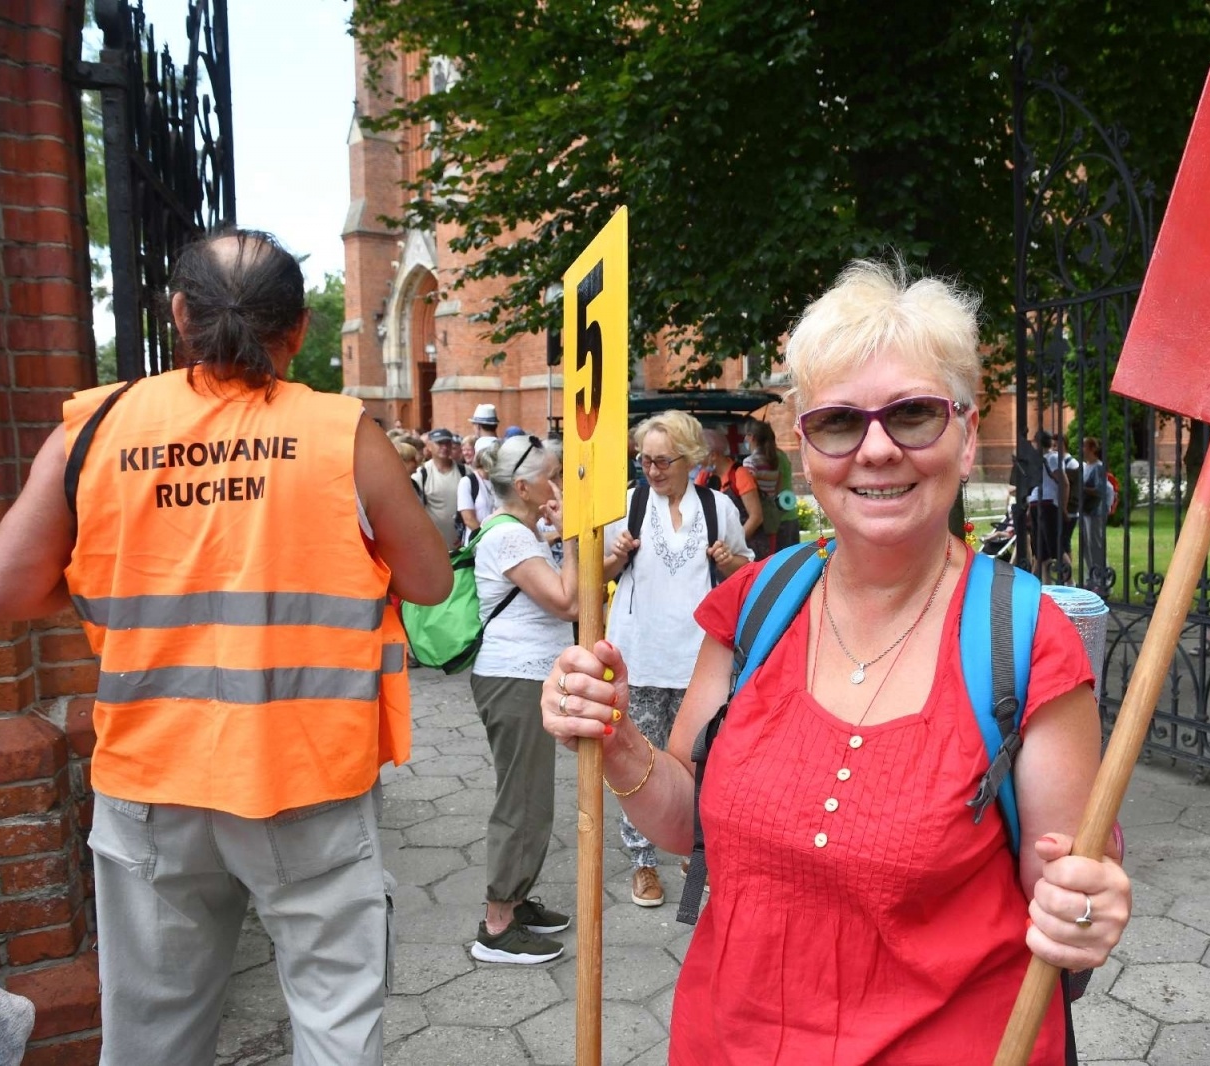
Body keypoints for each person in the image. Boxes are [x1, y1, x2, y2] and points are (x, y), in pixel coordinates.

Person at [542, 260, 1130, 1062]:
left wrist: (1085, 911)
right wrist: (615, 739)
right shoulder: (755, 605)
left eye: (914, 414)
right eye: (840, 422)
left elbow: (1068, 888)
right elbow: (686, 822)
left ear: (964, 432)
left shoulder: (1025, 639)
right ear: (805, 447)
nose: (877, 449)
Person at [0, 229, 453, 1065]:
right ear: (300, 329)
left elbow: (12, 586)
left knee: (154, 1039)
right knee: (335, 1023)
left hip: (151, 782)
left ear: (179, 314)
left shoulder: (93, 429)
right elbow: (428, 581)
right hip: (306, 775)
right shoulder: (339, 431)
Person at [601, 410, 753, 907]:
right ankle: (642, 862)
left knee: (697, 759)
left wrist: (730, 563)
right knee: (636, 756)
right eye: (644, 459)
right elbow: (594, 569)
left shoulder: (719, 507)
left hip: (698, 657)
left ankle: (693, 848)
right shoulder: (628, 504)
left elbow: (742, 574)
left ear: (690, 459)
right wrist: (616, 555)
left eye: (662, 460)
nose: (651, 469)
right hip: (640, 651)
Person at [467, 436, 578, 964]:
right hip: (514, 679)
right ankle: (497, 925)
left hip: (519, 677)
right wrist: (574, 538)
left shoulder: (520, 533)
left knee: (530, 796)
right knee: (523, 801)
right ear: (526, 487)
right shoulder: (510, 537)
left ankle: (515, 899)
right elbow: (566, 600)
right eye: (554, 475)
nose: (560, 483)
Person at [695, 427, 762, 549]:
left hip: (745, 548)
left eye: (700, 455)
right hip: (718, 550)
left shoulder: (740, 474)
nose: (697, 460)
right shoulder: (704, 476)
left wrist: (735, 545)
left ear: (713, 455)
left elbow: (756, 517)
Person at [743, 420, 801, 557]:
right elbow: (778, 486)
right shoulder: (777, 457)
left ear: (752, 437)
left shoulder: (754, 461)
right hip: (788, 513)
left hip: (774, 520)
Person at [1026, 429, 1068, 579]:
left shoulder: (1052, 458)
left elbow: (1064, 483)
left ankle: (1070, 581)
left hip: (1048, 503)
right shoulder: (1036, 460)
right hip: (1036, 503)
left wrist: (1063, 507)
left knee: (1055, 545)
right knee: (1040, 549)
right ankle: (1043, 584)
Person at [413, 428, 464, 549]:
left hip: (461, 544)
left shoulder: (465, 472)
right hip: (433, 544)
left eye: (447, 443)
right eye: (440, 443)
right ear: (429, 446)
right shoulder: (422, 474)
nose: (444, 447)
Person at [1078, 436, 1110, 592]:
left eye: (1084, 446)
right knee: (1086, 545)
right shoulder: (1085, 466)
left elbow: (1099, 490)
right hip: (1085, 510)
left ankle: (1102, 579)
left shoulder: (1098, 467)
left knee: (1095, 545)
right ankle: (1091, 577)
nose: (1081, 450)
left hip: (1095, 511)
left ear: (1092, 449)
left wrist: (1081, 488)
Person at [458, 439, 498, 536]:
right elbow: (469, 519)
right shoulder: (467, 482)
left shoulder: (499, 481)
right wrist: (486, 537)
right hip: (477, 539)